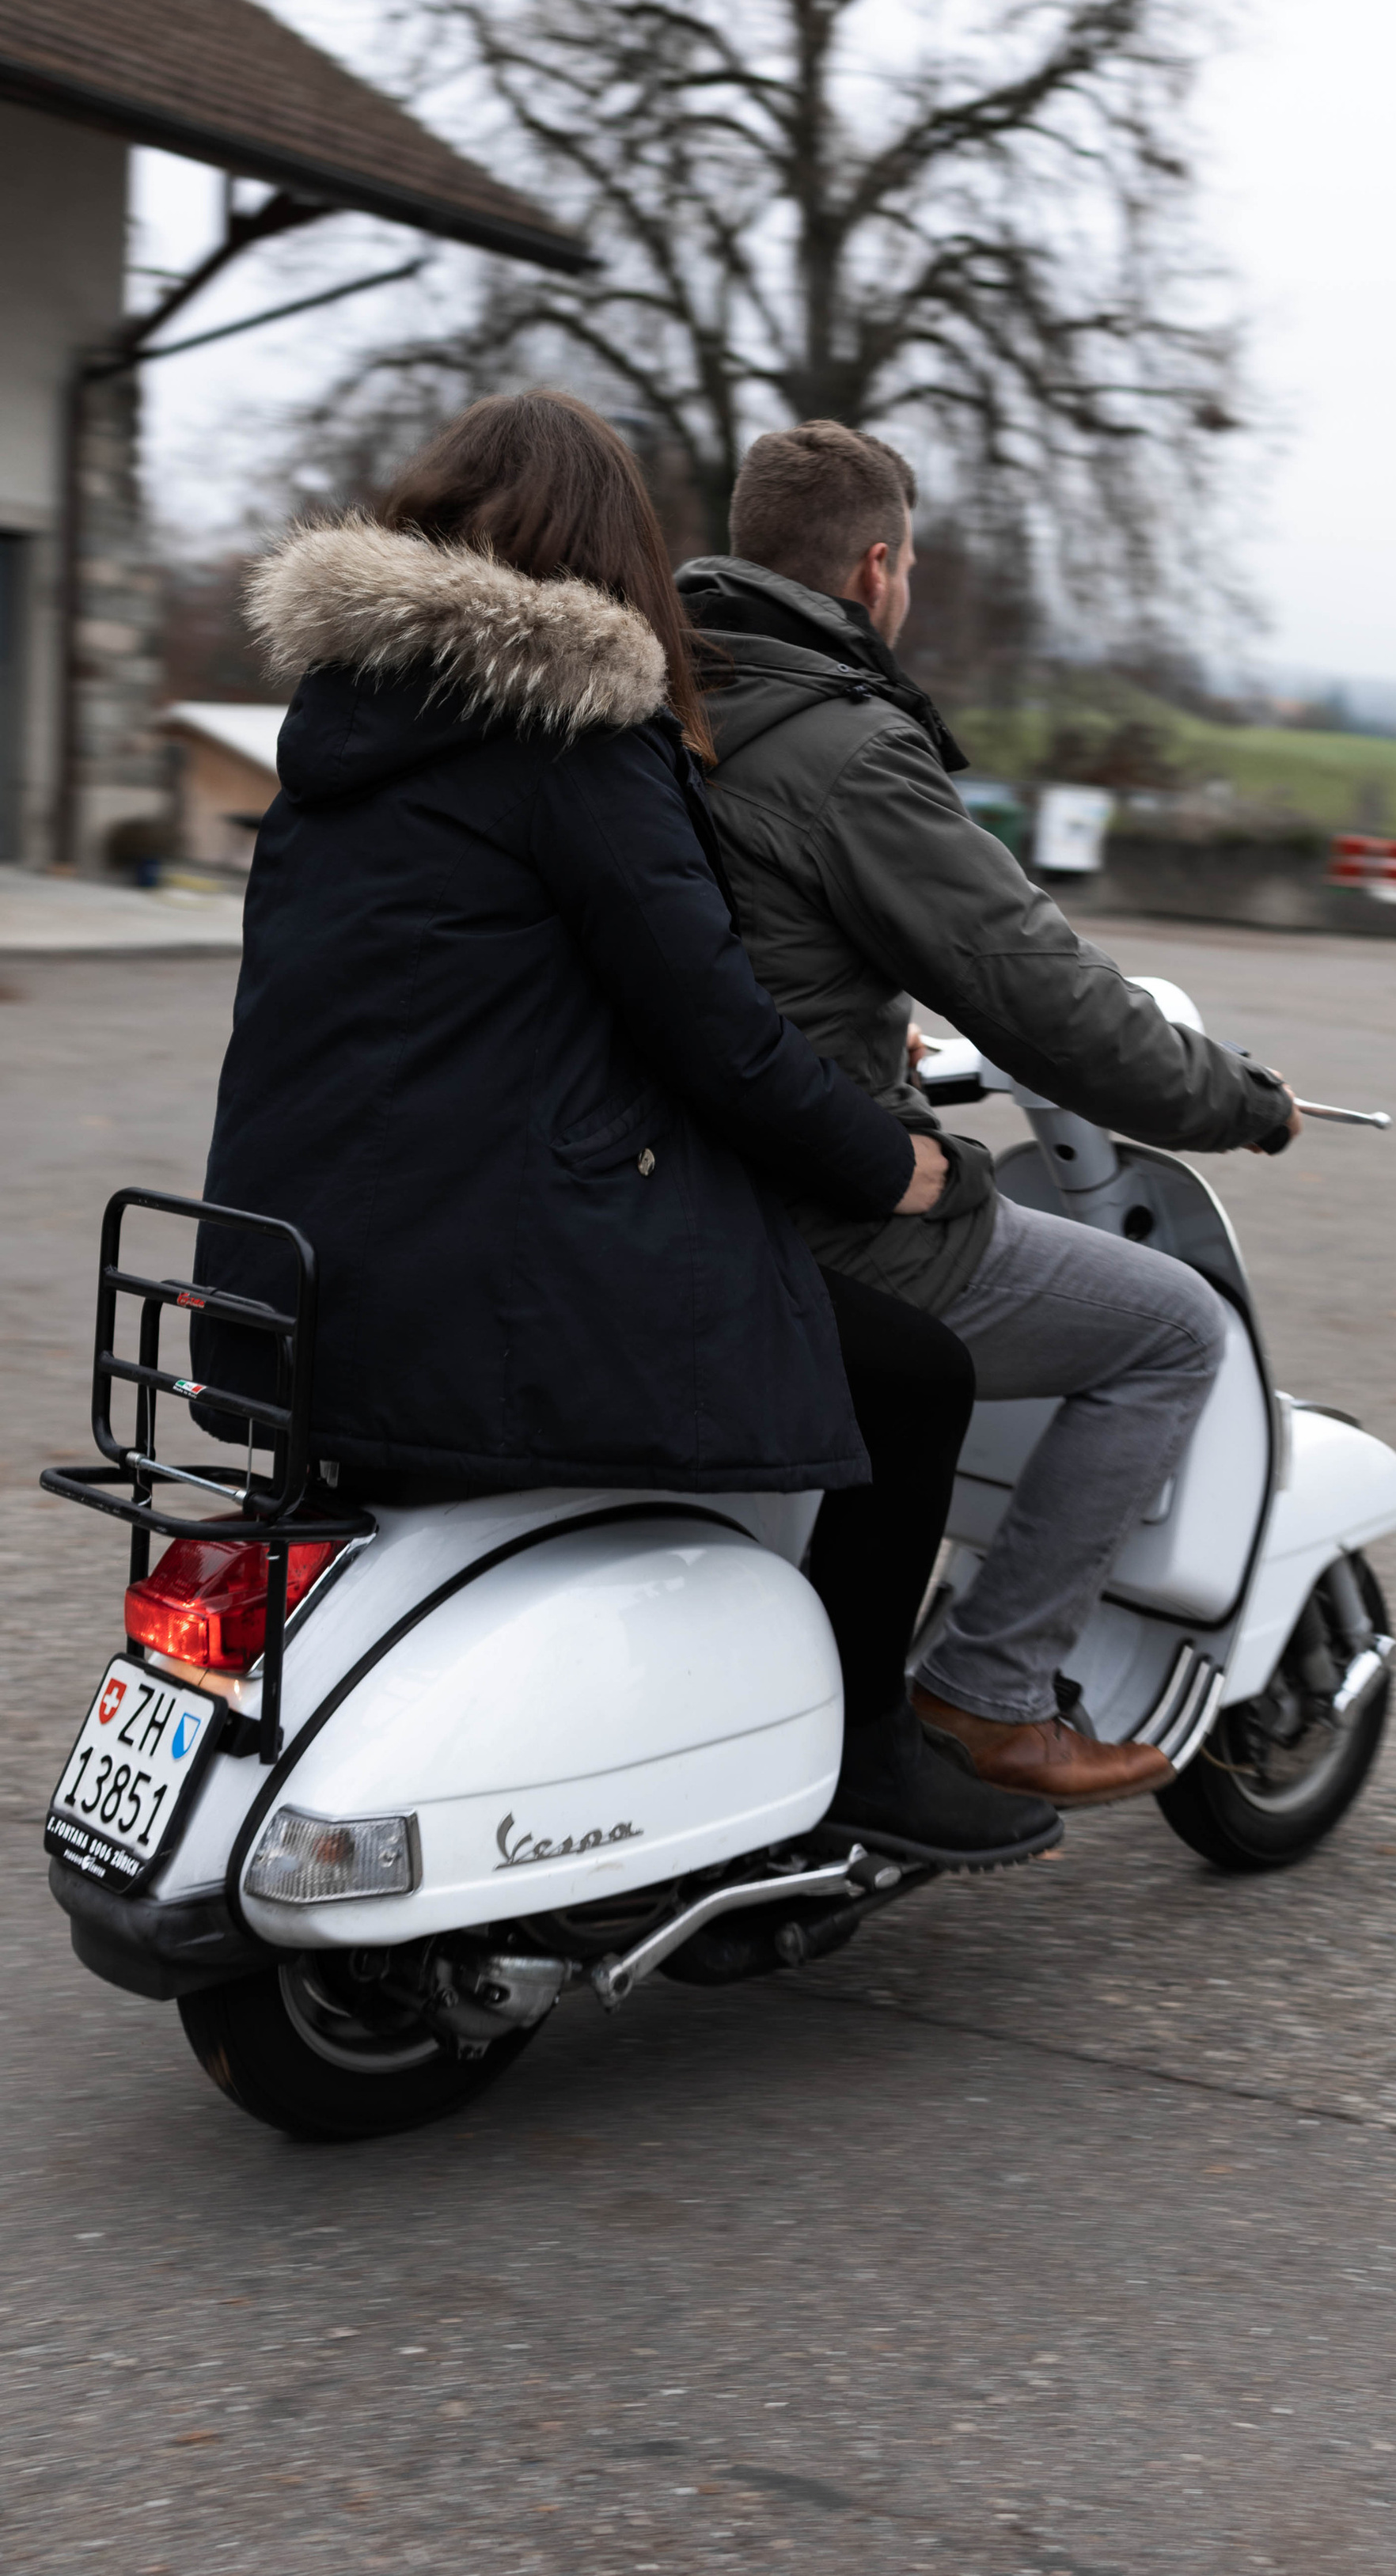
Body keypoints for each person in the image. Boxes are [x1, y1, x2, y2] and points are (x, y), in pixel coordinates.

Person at [194, 391, 1058, 1871]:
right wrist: (883, 1160)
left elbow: (472, 994)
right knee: (913, 1375)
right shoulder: (578, 739)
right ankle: (862, 1750)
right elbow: (712, 1029)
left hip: (281, 1280)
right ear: (612, 552)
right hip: (476, 1284)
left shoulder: (337, 738)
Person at [678, 420, 1298, 1810]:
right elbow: (1043, 993)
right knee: (1169, 1329)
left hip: (673, 1174)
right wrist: (1238, 1101)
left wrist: (856, 1010)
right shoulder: (841, 744)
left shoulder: (669, 701)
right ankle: (989, 1687)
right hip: (815, 1202)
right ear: (879, 565)